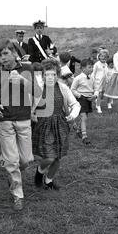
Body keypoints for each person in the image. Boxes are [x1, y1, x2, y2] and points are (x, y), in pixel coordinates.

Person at [0, 39, 42, 211]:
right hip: (5, 120)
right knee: (12, 161)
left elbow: (37, 92)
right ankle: (18, 194)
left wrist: (21, 80)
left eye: (5, 53)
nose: (2, 58)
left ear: (14, 53)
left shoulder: (26, 69)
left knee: (26, 160)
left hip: (23, 118)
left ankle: (13, 173)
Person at [32, 58, 80, 190]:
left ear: (57, 75)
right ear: (43, 75)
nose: (50, 77)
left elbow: (75, 104)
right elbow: (29, 106)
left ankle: (48, 181)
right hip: (43, 125)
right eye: (47, 74)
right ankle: (40, 172)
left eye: (53, 74)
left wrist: (72, 115)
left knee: (57, 157)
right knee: (49, 157)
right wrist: (32, 115)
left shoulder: (63, 88)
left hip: (60, 125)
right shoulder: (38, 89)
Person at [71, 59, 98, 145]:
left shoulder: (92, 77)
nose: (92, 69)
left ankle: (78, 130)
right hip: (81, 99)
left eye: (92, 67)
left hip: (89, 99)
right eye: (89, 67)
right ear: (83, 68)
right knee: (84, 117)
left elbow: (96, 88)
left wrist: (95, 96)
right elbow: (72, 89)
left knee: (85, 116)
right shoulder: (78, 78)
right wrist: (79, 96)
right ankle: (84, 136)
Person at [91, 48, 109, 114]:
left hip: (104, 82)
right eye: (102, 56)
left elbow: (107, 73)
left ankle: (96, 100)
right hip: (98, 82)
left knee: (102, 95)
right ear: (99, 57)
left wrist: (108, 79)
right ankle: (98, 106)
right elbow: (93, 73)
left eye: (105, 57)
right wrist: (93, 80)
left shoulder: (106, 64)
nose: (103, 58)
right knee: (99, 94)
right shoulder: (97, 64)